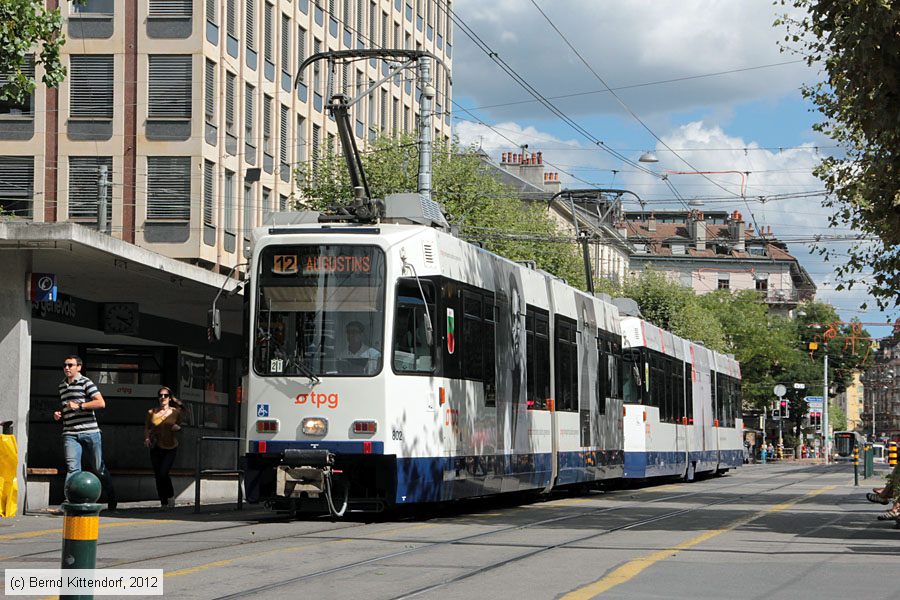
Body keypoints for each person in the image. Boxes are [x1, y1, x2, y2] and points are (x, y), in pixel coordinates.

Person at [53, 355, 116, 510]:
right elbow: (67, 406)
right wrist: (59, 414)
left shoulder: (86, 382)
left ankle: (112, 497)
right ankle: (71, 501)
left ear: (79, 367)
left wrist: (80, 406)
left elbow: (101, 403)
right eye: (65, 365)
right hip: (70, 433)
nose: (66, 368)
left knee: (98, 467)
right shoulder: (62, 386)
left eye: (70, 365)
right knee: (73, 468)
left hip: (90, 432)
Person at [144, 386, 183, 509]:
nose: (162, 398)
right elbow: (147, 428)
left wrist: (178, 428)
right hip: (156, 446)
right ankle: (163, 502)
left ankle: (170, 496)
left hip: (171, 446)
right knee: (158, 475)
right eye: (160, 395)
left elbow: (180, 425)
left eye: (165, 396)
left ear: (169, 398)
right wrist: (147, 438)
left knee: (163, 473)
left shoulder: (175, 412)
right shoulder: (151, 412)